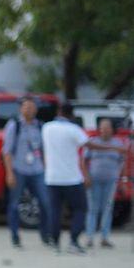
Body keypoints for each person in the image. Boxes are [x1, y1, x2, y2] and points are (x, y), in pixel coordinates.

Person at [1, 96, 50, 248]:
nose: (29, 110)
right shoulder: (14, 125)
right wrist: (9, 173)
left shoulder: (40, 126)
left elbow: (44, 150)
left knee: (45, 202)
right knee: (15, 203)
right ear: (21, 109)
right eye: (26, 107)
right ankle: (15, 235)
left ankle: (45, 234)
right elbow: (7, 151)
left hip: (37, 169)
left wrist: (46, 169)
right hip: (19, 169)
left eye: (32, 107)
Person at [42, 103, 91, 254]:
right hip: (71, 178)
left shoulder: (47, 128)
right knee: (80, 209)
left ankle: (55, 242)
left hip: (52, 177)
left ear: (58, 111)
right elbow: (88, 144)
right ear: (72, 114)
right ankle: (73, 241)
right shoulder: (74, 129)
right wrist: (115, 148)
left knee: (55, 211)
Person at [83, 118, 125, 248]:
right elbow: (84, 161)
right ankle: (89, 237)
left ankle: (104, 237)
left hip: (111, 181)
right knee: (92, 209)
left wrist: (122, 180)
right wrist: (86, 177)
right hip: (94, 180)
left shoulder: (118, 144)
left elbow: (123, 162)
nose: (104, 130)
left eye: (107, 127)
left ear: (112, 130)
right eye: (102, 128)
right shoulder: (93, 143)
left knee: (107, 209)